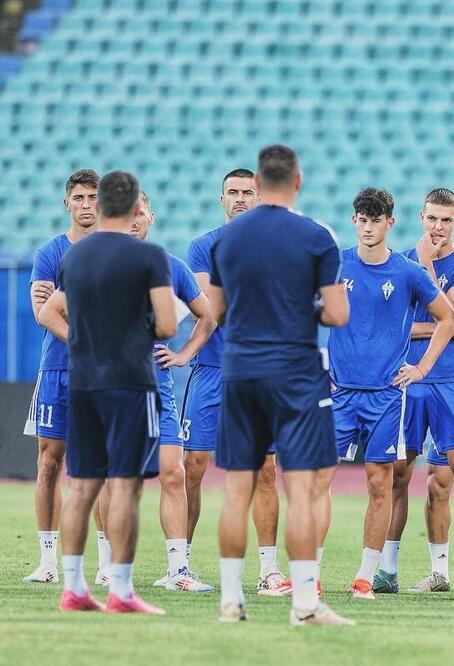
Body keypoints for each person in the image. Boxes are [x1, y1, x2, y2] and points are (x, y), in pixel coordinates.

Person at [208, 145, 351, 626]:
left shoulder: (227, 239)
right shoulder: (316, 237)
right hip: (295, 373)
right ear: (297, 181)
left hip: (241, 369)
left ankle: (231, 601)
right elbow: (337, 314)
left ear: (259, 181)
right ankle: (305, 604)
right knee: (303, 487)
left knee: (236, 488)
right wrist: (302, 305)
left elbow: (216, 311)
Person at [38, 170, 177, 613]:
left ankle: (74, 587)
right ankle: (120, 589)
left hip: (83, 381)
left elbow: (50, 310)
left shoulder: (75, 258)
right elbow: (169, 325)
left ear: (101, 206)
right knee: (124, 486)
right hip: (131, 382)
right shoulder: (150, 257)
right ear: (136, 205)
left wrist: (83, 338)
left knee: (81, 485)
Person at [327, 188, 454, 600]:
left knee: (380, 484)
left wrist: (421, 368)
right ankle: (307, 571)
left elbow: (448, 319)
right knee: (315, 481)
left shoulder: (407, 271)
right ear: (354, 222)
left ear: (390, 223)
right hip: (340, 393)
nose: (368, 227)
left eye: (376, 220)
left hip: (386, 396)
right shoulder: (335, 265)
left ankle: (366, 576)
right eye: (362, 220)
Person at [375, 188, 454, 599]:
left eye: (445, 220)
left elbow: (452, 311)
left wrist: (425, 272)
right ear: (420, 219)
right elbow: (402, 326)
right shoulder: (396, 262)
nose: (438, 227)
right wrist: (441, 325)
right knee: (397, 474)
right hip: (407, 379)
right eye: (431, 219)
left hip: (452, 380)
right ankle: (386, 569)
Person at [183, 169, 289, 595]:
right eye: (233, 192)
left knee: (264, 468)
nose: (241, 198)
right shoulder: (202, 246)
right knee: (192, 466)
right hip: (211, 370)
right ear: (221, 199)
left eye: (248, 192)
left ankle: (268, 570)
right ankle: (180, 564)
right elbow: (210, 309)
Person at [127, 192, 217, 592]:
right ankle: (108, 567)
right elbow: (54, 310)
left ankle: (178, 570)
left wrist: (183, 354)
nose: (134, 220)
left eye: (140, 213)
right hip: (112, 388)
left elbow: (207, 315)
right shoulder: (96, 262)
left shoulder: (169, 265)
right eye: (127, 212)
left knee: (174, 473)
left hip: (158, 387)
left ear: (151, 217)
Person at [22, 169, 105, 585]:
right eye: (79, 198)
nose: (86, 204)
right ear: (67, 203)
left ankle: (107, 564)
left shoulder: (113, 251)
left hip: (105, 375)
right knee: (50, 462)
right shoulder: (50, 253)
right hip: (57, 368)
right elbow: (43, 314)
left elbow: (55, 307)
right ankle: (48, 560)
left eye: (93, 197)